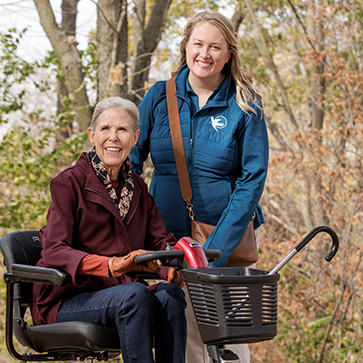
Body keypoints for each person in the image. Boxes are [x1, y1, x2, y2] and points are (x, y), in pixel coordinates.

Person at [130, 11, 269, 363]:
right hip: (168, 239)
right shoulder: (159, 97)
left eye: (215, 47)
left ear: (228, 54)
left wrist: (216, 248)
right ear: (186, 47)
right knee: (184, 335)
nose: (205, 54)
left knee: (229, 335)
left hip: (223, 241)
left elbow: (252, 180)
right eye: (198, 44)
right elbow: (131, 162)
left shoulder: (246, 104)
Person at [31, 97, 187, 363]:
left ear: (135, 137)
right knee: (135, 294)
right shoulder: (69, 184)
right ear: (93, 135)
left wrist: (173, 266)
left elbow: (161, 242)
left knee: (170, 295)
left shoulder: (138, 189)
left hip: (120, 294)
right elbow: (54, 251)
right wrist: (112, 265)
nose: (113, 138)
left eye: (122, 130)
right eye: (105, 129)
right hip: (67, 299)